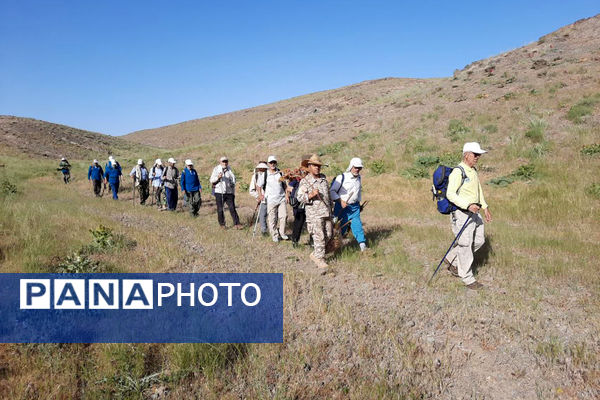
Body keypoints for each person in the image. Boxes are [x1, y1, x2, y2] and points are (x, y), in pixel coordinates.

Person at [445, 142, 493, 290]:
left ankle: (451, 258)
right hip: (462, 213)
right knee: (465, 245)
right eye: (475, 154)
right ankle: (467, 278)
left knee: (479, 240)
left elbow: (478, 191)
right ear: (466, 155)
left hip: (475, 212)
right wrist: (467, 205)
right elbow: (450, 194)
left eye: (479, 155)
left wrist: (485, 207)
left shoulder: (473, 171)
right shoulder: (458, 172)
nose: (478, 157)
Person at [296, 154, 332, 269]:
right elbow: (299, 198)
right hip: (314, 214)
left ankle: (316, 254)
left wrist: (331, 207)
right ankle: (320, 260)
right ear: (309, 166)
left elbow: (328, 195)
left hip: (326, 212)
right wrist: (310, 195)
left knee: (329, 235)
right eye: (315, 166)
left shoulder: (323, 179)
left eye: (319, 166)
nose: (317, 168)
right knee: (319, 236)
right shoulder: (305, 181)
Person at [330, 157, 367, 252]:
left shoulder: (359, 178)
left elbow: (358, 192)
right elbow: (332, 191)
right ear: (351, 166)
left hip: (354, 207)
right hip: (341, 206)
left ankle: (363, 247)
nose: (357, 169)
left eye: (359, 168)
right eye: (355, 167)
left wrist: (358, 203)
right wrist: (340, 201)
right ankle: (335, 248)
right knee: (339, 228)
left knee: (357, 225)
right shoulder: (342, 177)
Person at [209, 156, 242, 229]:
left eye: (226, 161)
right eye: (223, 161)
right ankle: (222, 225)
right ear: (220, 162)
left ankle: (237, 224)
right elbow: (211, 180)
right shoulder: (216, 169)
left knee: (232, 208)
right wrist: (218, 177)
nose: (225, 163)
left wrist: (232, 183)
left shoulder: (229, 169)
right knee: (220, 209)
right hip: (219, 192)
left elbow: (233, 179)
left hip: (229, 192)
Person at [264, 156, 289, 242]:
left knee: (284, 216)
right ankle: (274, 235)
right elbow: (259, 185)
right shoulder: (265, 174)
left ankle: (282, 233)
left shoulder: (280, 173)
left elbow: (285, 185)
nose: (272, 164)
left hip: (281, 198)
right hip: (271, 200)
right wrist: (260, 195)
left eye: (274, 162)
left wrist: (287, 195)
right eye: (271, 162)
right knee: (272, 218)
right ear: (268, 164)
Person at [249, 161, 269, 236]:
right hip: (262, 200)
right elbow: (251, 190)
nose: (262, 169)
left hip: (272, 198)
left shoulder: (270, 175)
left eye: (264, 168)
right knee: (262, 216)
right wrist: (258, 196)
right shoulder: (255, 176)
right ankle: (264, 231)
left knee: (272, 216)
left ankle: (273, 231)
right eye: (261, 168)